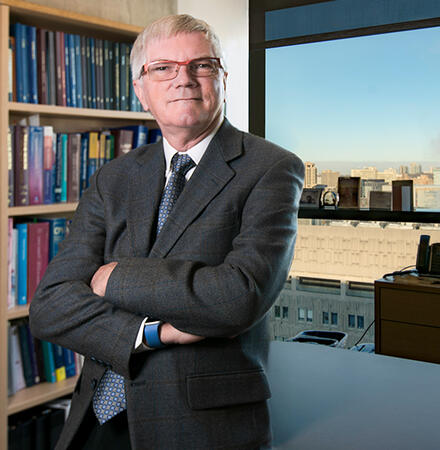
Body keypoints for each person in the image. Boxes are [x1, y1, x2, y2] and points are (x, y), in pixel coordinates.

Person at [29, 14, 304, 450]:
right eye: (164, 68)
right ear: (141, 90)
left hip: (200, 425)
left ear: (223, 79)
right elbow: (50, 305)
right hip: (97, 418)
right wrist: (156, 332)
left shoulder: (271, 168)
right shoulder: (113, 177)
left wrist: (113, 277)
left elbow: (238, 296)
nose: (185, 80)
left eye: (201, 65)